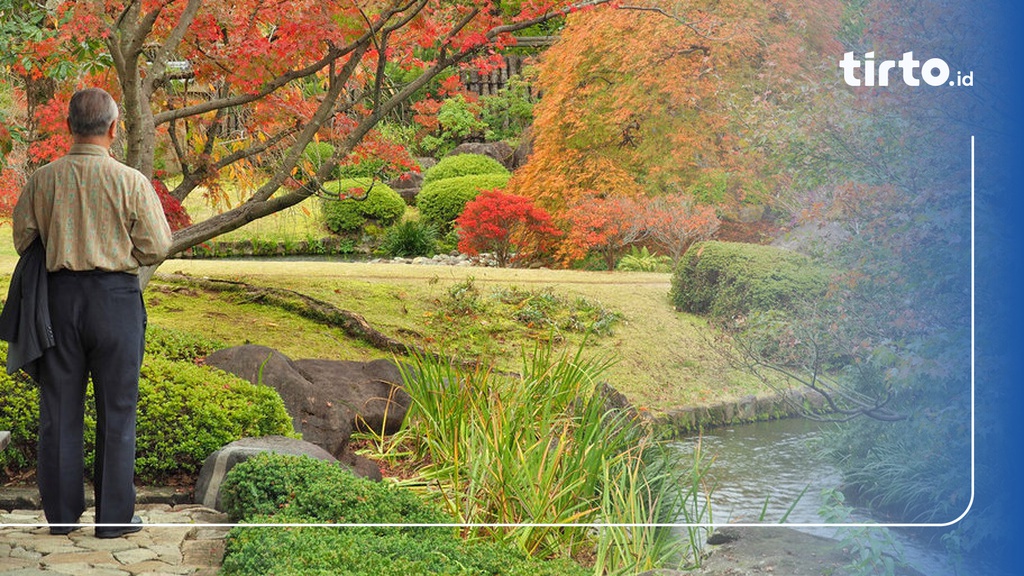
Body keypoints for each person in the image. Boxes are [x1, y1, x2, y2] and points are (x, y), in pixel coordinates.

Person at [10, 87, 173, 538]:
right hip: (116, 301)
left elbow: (22, 239)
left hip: (58, 301)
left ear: (68, 126)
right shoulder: (131, 181)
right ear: (114, 128)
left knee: (59, 410)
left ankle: (62, 517)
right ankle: (114, 519)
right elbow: (158, 246)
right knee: (117, 411)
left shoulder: (43, 180)